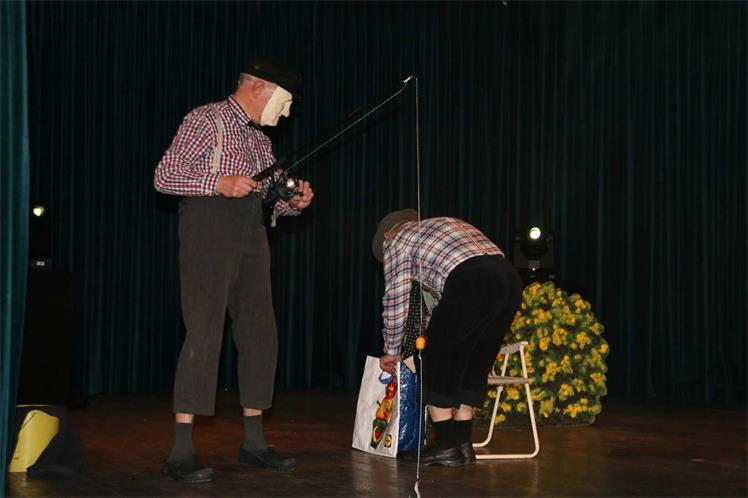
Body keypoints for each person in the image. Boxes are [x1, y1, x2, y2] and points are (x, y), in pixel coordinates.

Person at [154, 56, 314, 482]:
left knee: (261, 332)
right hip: (208, 229)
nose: (287, 112)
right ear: (260, 88)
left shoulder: (261, 142)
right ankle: (181, 451)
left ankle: (254, 444)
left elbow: (270, 199)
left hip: (251, 235)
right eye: (285, 101)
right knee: (204, 331)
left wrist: (293, 202)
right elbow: (164, 176)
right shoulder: (206, 119)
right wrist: (218, 183)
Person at [371, 209, 522, 466]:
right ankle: (463, 444)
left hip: (472, 280)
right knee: (471, 362)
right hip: (509, 279)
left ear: (387, 234)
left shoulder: (397, 240)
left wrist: (392, 349)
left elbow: (396, 299)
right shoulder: (444, 225)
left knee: (432, 360)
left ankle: (445, 445)